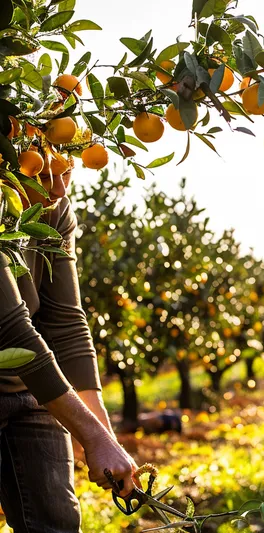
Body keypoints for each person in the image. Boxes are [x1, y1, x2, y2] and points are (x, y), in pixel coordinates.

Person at [0, 161, 137, 532]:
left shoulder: (55, 211)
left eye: (66, 173)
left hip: (32, 385)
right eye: (44, 177)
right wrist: (90, 436)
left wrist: (104, 439)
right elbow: (9, 327)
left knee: (57, 523)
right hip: (22, 358)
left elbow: (65, 321)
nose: (59, 190)